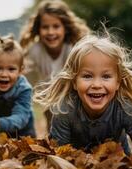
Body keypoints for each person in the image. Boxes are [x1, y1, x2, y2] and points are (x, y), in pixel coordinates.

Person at [33, 32, 132, 159]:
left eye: (106, 76)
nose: (97, 84)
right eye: (87, 76)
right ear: (74, 82)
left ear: (117, 82)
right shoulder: (64, 110)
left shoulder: (126, 108)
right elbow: (58, 155)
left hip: (119, 166)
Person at [19, 0, 90, 133]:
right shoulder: (35, 50)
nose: (51, 32)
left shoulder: (73, 48)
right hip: (49, 99)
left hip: (75, 98)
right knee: (53, 131)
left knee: (77, 130)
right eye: (45, 27)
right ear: (38, 30)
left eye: (56, 26)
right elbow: (19, 67)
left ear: (65, 27)